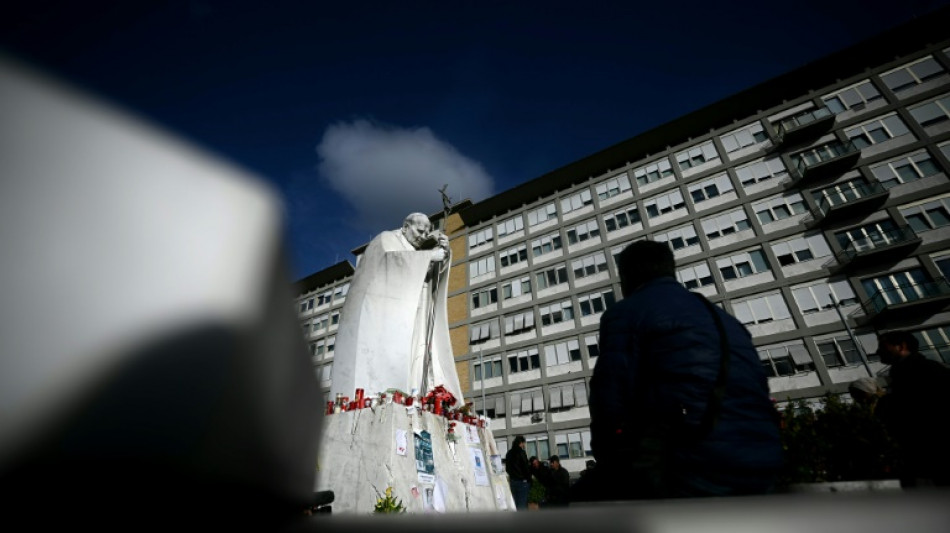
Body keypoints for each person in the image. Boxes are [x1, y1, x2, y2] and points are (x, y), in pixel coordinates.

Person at [578, 239, 783, 501]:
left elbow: (610, 401)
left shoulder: (626, 313)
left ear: (625, 277)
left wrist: (610, 464)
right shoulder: (725, 319)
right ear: (670, 270)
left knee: (577, 503)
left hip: (692, 465)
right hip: (763, 460)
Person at [330, 212, 463, 403]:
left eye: (427, 233)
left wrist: (444, 254)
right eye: (419, 231)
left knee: (417, 354)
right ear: (405, 226)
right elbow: (388, 263)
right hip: (390, 317)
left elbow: (430, 277)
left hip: (417, 309)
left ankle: (418, 393)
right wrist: (428, 257)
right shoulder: (386, 239)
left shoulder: (417, 250)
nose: (422, 236)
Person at [874, 330, 950, 487]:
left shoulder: (922, 370)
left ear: (901, 346)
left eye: (883, 346)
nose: (877, 351)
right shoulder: (906, 372)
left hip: (933, 452)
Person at [505, 436, 531, 510]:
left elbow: (507, 469)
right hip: (522, 482)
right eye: (524, 443)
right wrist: (529, 479)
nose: (524, 445)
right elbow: (526, 467)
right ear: (521, 443)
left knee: (515, 505)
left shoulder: (509, 453)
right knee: (522, 505)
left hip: (513, 481)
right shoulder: (521, 452)